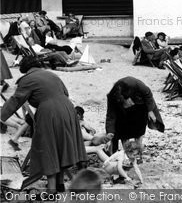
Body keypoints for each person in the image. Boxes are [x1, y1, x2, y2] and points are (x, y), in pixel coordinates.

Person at [0, 57, 87, 192]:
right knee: (61, 147)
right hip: (68, 109)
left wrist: (1, 116)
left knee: (48, 148)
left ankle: (51, 190)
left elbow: (16, 99)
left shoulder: (27, 79)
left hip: (49, 112)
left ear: (26, 70)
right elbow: (66, 93)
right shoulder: (51, 75)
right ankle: (60, 184)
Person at [105, 77, 165, 159]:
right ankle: (126, 154)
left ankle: (139, 154)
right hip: (123, 113)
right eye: (127, 103)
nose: (130, 104)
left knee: (139, 130)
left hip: (140, 106)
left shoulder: (137, 85)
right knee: (122, 131)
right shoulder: (113, 97)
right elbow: (110, 115)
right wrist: (109, 131)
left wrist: (150, 111)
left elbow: (148, 94)